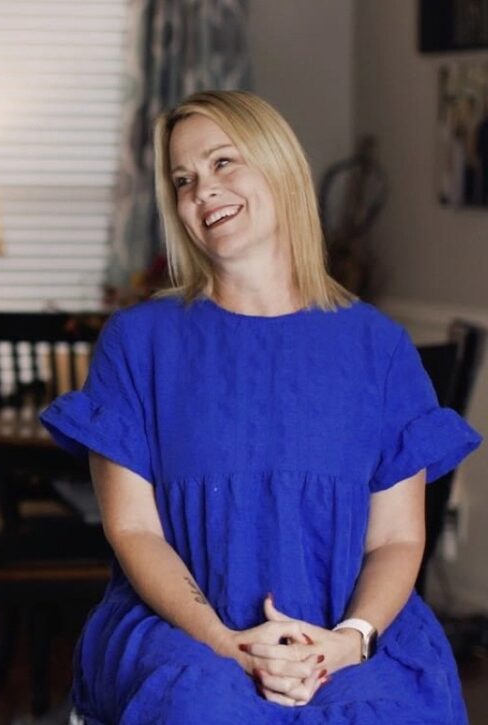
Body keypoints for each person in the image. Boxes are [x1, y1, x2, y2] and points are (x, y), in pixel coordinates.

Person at [41, 90, 481, 724]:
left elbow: (396, 538)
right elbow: (134, 530)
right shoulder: (138, 343)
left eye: (224, 163)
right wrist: (227, 643)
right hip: (186, 630)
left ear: (280, 167)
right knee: (200, 706)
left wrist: (348, 641)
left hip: (349, 628)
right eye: (183, 179)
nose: (203, 191)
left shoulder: (379, 348)